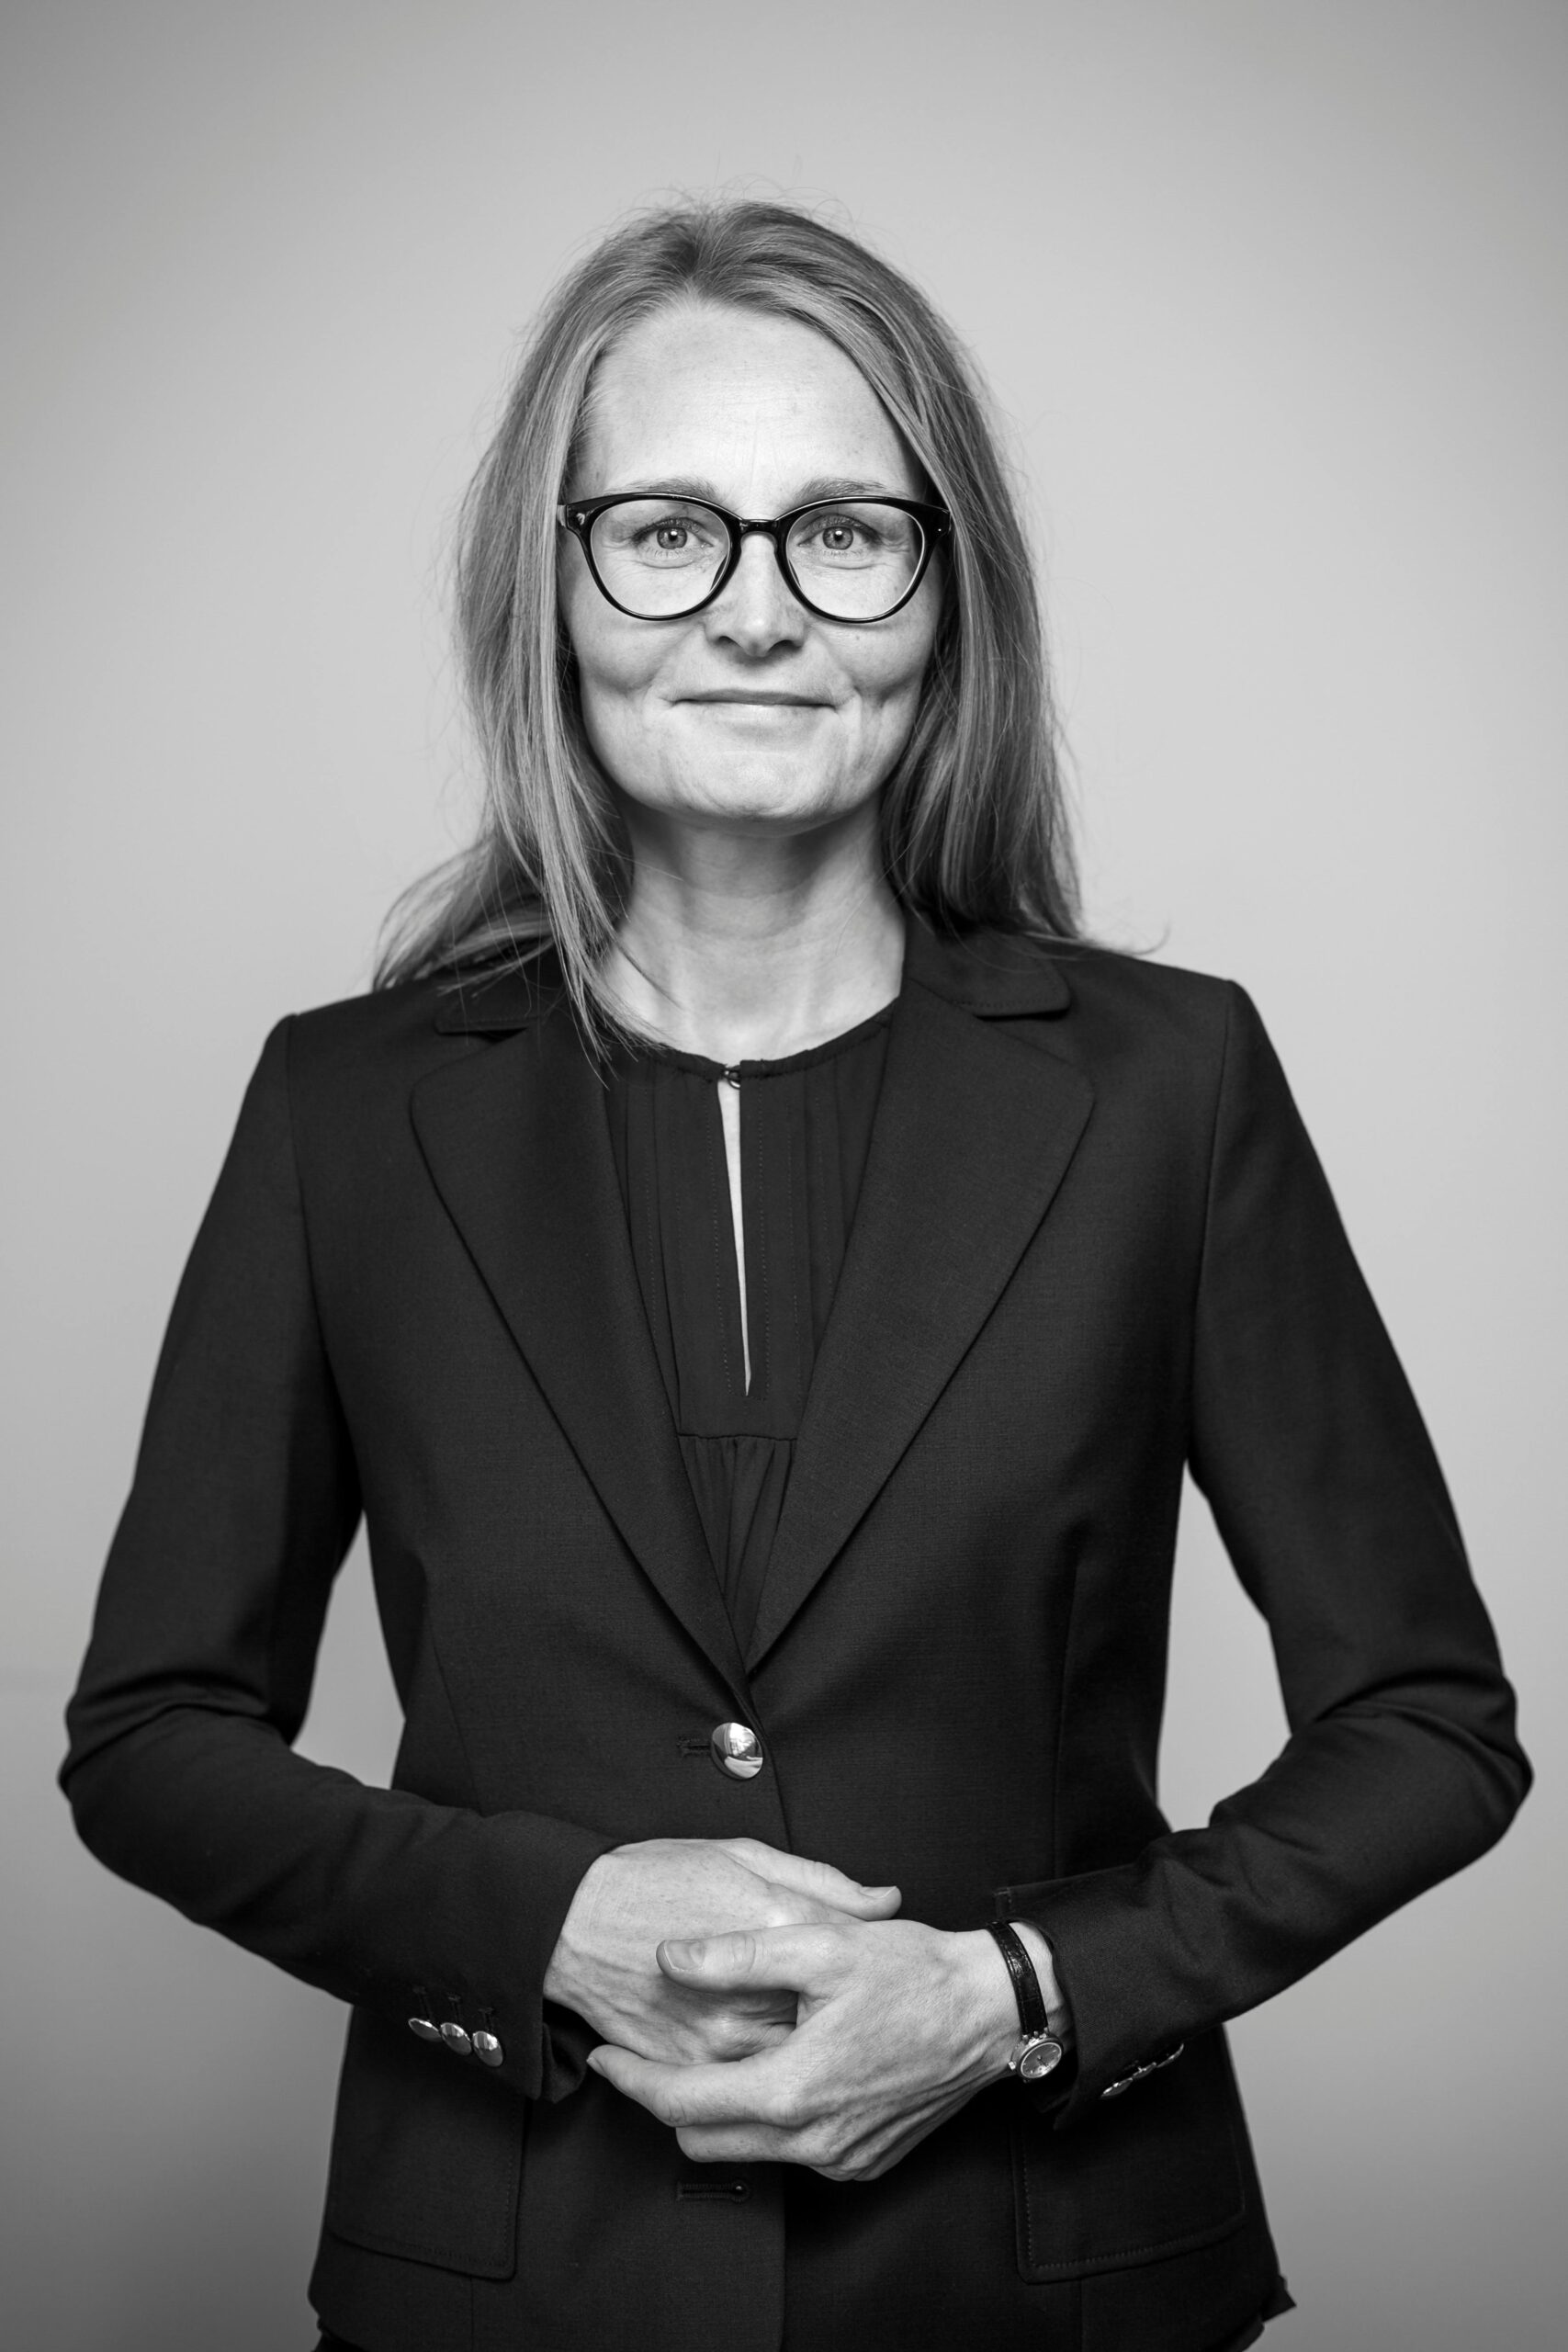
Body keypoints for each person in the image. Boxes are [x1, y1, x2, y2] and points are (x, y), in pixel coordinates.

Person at [62, 199, 1528, 2352]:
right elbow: (150, 1734)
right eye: (665, 533)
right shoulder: (345, 1111)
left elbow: (1425, 1724)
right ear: (551, 589)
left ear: (945, 595)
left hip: (1048, 2282)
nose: (755, 613)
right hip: (506, 2292)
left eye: (842, 534)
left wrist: (1014, 1991)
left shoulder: (1166, 1083)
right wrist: (544, 1920)